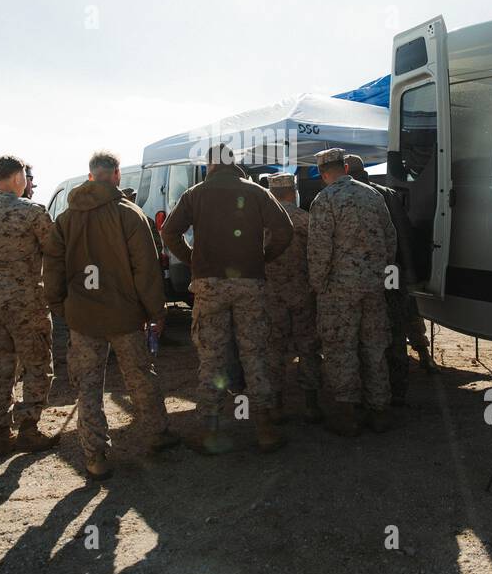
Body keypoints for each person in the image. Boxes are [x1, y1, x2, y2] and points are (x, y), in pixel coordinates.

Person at [43, 150, 179, 479]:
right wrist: (156, 311)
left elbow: (53, 268)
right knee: (139, 378)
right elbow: (146, 270)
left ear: (91, 176)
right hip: (124, 317)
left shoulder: (66, 218)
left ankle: (94, 456)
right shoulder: (130, 215)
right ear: (116, 174)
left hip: (82, 317)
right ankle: (158, 434)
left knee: (88, 387)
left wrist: (60, 305)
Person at [161, 144, 293, 454]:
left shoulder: (195, 193)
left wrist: (192, 259)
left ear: (209, 165)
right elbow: (284, 230)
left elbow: (169, 232)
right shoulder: (257, 192)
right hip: (250, 281)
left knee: (212, 357)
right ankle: (265, 430)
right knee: (254, 353)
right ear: (235, 164)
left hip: (209, 285)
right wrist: (263, 257)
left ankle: (211, 430)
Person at [308, 148, 396, 436]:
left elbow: (320, 250)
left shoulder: (325, 199)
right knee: (374, 347)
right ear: (345, 167)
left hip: (338, 290)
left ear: (323, 174)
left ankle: (347, 415)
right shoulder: (373, 195)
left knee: (340, 348)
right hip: (373, 286)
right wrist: (381, 272)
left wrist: (318, 285)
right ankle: (380, 411)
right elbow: (389, 238)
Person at [0, 155, 58, 456]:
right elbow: (54, 252)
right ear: (17, 178)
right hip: (25, 304)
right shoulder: (32, 211)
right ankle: (28, 429)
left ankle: (0, 433)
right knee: (37, 364)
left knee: (0, 367)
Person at [344, 154, 438, 403]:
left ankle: (369, 388)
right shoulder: (387, 194)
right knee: (397, 323)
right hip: (391, 272)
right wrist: (408, 273)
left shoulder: (341, 195)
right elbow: (403, 235)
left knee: (364, 331)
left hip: (357, 276)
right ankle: (399, 385)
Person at [262, 172, 322, 423]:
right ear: (292, 191)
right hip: (302, 294)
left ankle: (275, 405)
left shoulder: (261, 223)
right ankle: (312, 404)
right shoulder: (307, 220)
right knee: (308, 347)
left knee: (274, 349)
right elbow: (318, 257)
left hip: (272, 295)